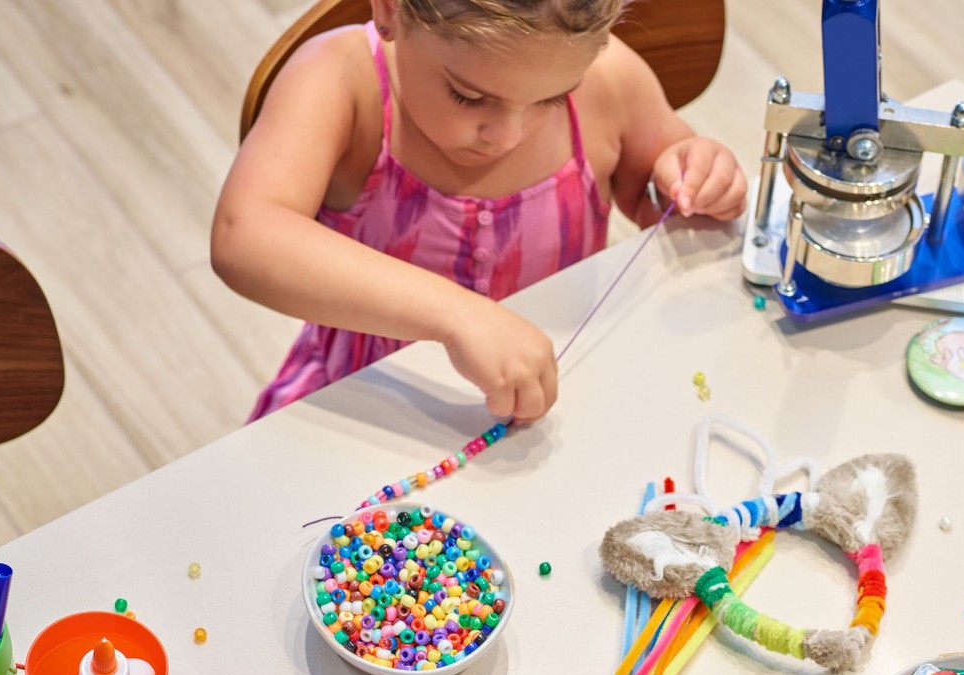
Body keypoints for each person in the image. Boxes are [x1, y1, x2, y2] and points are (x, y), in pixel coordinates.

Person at [211, 0, 746, 422]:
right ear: (391, 9)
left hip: (554, 407)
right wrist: (457, 315)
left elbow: (659, 195)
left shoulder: (613, 81)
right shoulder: (341, 82)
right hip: (372, 406)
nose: (508, 135)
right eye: (469, 97)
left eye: (553, 99)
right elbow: (245, 235)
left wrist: (697, 174)